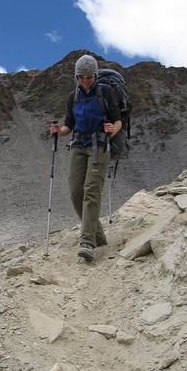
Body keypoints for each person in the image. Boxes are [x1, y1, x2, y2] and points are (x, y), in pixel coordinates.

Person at [50, 54, 122, 261]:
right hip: (78, 145)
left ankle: (87, 242)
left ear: (95, 75)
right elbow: (68, 126)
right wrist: (58, 131)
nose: (85, 80)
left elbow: (118, 121)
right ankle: (98, 236)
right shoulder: (72, 97)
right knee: (75, 192)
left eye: (89, 76)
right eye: (81, 77)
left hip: (99, 145)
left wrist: (112, 129)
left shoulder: (105, 92)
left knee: (91, 191)